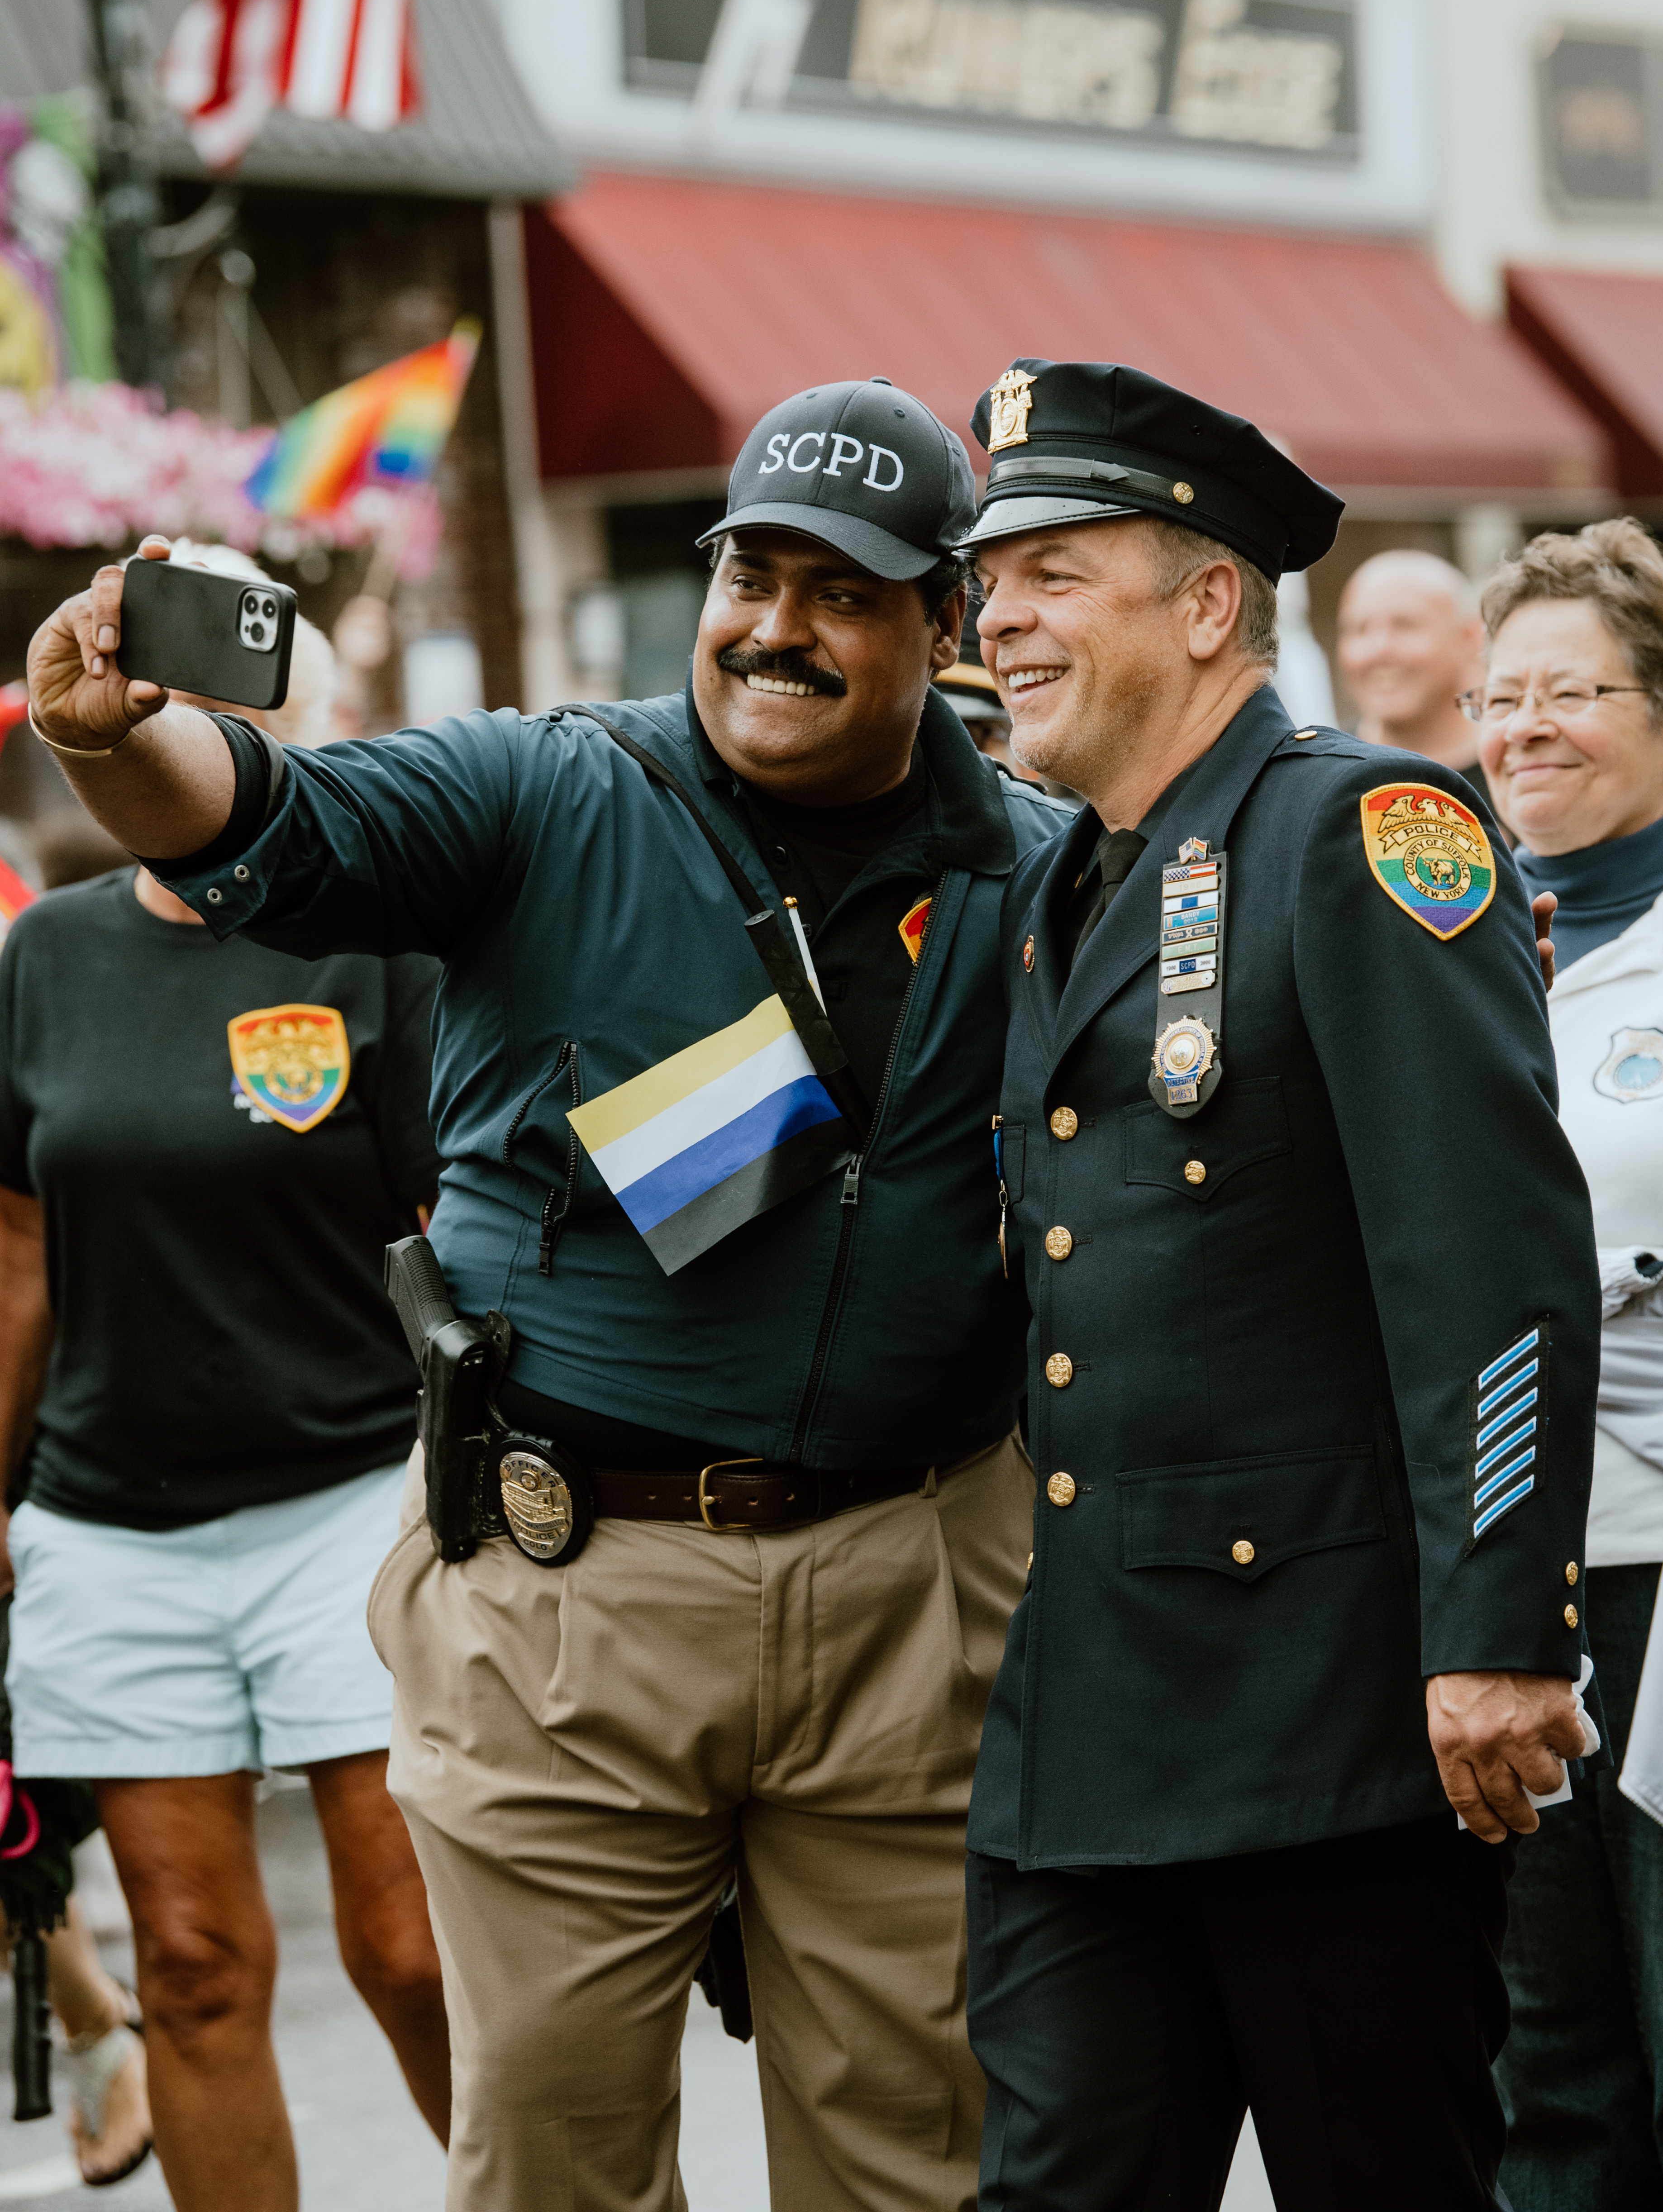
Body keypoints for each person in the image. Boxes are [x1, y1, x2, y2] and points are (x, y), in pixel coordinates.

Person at [22, 379, 1067, 2212]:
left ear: (945, 623)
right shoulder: (546, 788)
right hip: (573, 1584)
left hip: (922, 1587)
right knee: (557, 2154)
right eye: (755, 575)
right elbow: (265, 820)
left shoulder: (1052, 871)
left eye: (845, 593)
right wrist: (122, 745)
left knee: (914, 2154)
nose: (780, 631)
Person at [961, 357, 1601, 2211]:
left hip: (1328, 1727)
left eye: (1053, 573)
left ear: (1212, 600)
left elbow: (1490, 1262)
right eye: (990, 581)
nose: (996, 615)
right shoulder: (1061, 877)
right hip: (1086, 1726)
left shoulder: (1362, 830)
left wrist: (1497, 1632)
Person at [0, 580, 452, 2212]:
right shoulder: (44, 957)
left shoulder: (383, 948)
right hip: (113, 1526)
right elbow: (15, 1255)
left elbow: (456, 1228)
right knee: (186, 1964)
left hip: (354, 1496)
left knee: (413, 1953)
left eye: (241, 718)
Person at [1468, 516, 1663, 2211]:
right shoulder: (1439, 939)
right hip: (1494, 1581)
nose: (1525, 729)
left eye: (1574, 691)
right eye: (1502, 697)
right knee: (1541, 2055)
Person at [1338, 547, 1491, 804]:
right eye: (1359, 629)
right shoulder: (1322, 776)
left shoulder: (1521, 768)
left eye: (1405, 625)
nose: (1378, 650)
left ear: (1469, 638)